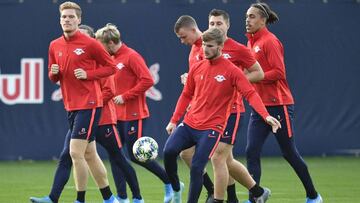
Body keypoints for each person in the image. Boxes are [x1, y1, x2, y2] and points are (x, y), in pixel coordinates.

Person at [164, 27, 280, 203]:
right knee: (169, 151)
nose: (205, 49)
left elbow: (250, 94)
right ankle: (176, 187)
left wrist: (265, 116)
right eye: (203, 45)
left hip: (211, 128)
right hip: (190, 123)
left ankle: (218, 198)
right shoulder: (197, 67)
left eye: (210, 45)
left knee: (199, 166)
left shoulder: (232, 71)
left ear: (220, 47)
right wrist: (174, 120)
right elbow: (186, 95)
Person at [30, 24, 144, 203]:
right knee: (73, 155)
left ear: (91, 41)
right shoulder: (67, 54)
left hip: (101, 118)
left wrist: (92, 101)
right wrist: (56, 74)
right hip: (81, 114)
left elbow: (109, 91)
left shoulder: (99, 60)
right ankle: (57, 197)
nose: (77, 43)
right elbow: (59, 79)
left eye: (82, 37)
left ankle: (136, 197)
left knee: (116, 157)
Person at [244, 3, 323, 203]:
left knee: (289, 153)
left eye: (252, 16)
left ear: (263, 19)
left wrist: (254, 77)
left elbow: (279, 73)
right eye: (247, 16)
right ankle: (255, 198)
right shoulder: (250, 43)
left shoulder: (270, 41)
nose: (248, 20)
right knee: (251, 152)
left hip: (279, 105)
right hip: (260, 108)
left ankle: (313, 196)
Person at [46, 2, 119, 203]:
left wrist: (88, 74)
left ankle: (80, 199)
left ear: (79, 20)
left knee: (74, 152)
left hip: (90, 104)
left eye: (71, 17)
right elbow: (54, 77)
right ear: (59, 20)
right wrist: (54, 74)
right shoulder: (55, 45)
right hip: (71, 106)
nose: (67, 20)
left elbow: (111, 67)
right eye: (64, 17)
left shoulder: (90, 43)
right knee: (90, 154)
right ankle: (109, 198)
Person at [95, 23, 174, 203]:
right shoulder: (109, 59)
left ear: (111, 42)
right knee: (115, 155)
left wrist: (126, 96)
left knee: (135, 155)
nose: (100, 49)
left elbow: (148, 80)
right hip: (116, 115)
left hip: (134, 114)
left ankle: (169, 181)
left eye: (101, 45)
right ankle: (122, 197)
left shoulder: (131, 56)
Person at [173, 15, 215, 202]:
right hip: (197, 107)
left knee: (222, 158)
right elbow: (199, 77)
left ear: (193, 29)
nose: (182, 41)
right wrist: (189, 78)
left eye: (183, 37)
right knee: (186, 153)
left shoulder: (210, 45)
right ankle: (213, 189)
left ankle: (247, 193)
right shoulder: (193, 49)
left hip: (215, 111)